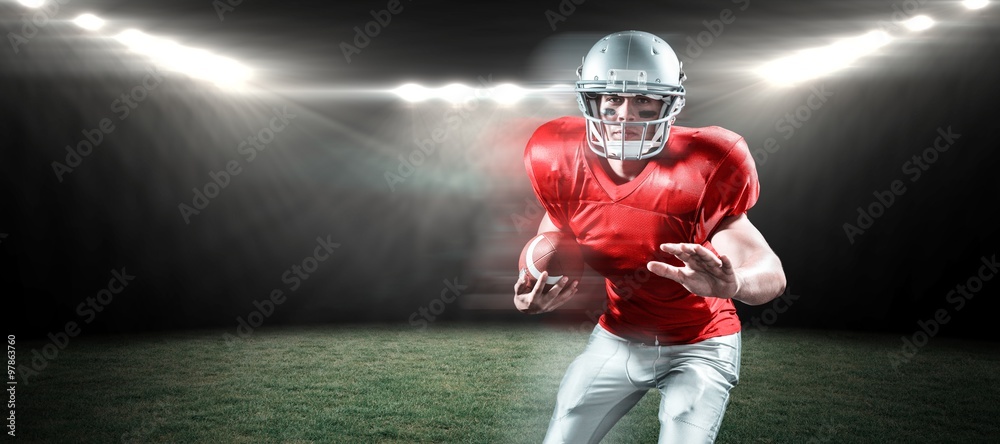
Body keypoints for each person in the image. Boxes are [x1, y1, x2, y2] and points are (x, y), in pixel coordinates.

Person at [513, 30, 787, 444]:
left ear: (670, 103)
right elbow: (556, 229)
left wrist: (736, 283)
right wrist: (535, 276)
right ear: (592, 101)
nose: (625, 114)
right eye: (613, 99)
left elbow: (770, 271)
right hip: (618, 336)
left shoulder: (709, 161)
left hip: (701, 344)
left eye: (644, 99)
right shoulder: (556, 153)